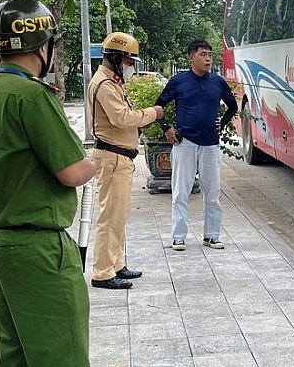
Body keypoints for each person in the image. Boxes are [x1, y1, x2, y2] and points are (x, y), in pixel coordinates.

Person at [0, 0, 95, 367]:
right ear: (42, 46)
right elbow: (71, 171)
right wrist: (94, 163)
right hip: (36, 246)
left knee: (16, 352)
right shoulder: (32, 96)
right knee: (60, 355)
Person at [88, 32, 163, 290]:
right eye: (129, 61)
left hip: (120, 157)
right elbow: (122, 118)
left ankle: (115, 264)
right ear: (117, 57)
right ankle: (102, 272)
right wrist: (153, 112)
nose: (132, 66)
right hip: (112, 157)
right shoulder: (105, 85)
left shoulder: (113, 82)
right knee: (110, 217)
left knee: (119, 215)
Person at [155, 40, 237, 251]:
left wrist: (223, 122)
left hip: (210, 144)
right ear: (192, 57)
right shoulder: (178, 81)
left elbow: (233, 105)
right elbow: (159, 105)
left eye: (210, 54)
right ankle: (179, 236)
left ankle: (212, 235)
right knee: (181, 192)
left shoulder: (217, 82)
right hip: (185, 143)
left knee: (212, 193)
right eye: (203, 54)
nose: (208, 58)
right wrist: (166, 128)